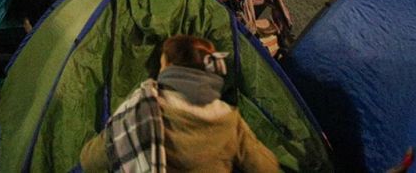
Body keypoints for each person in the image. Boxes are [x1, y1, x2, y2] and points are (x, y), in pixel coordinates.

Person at [79, 35, 279, 173]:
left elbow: (90, 161)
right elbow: (266, 167)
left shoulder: (144, 108)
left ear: (171, 68)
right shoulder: (229, 120)